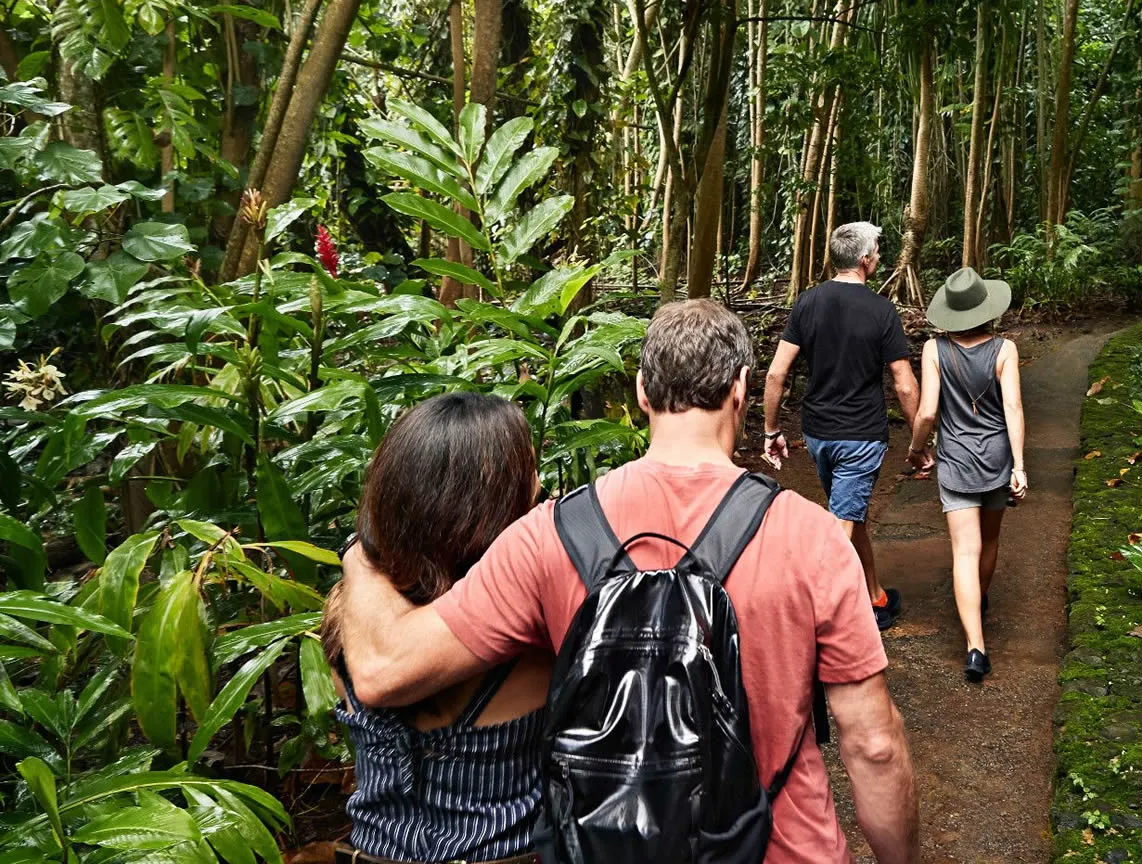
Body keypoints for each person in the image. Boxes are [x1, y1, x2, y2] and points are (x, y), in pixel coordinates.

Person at [330, 300, 921, 864]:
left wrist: (361, 556)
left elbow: (391, 670)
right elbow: (873, 744)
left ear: (642, 392)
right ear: (742, 389)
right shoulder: (815, 537)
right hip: (781, 843)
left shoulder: (549, 535)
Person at [320, 392, 551, 863]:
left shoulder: (350, 612)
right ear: (489, 509)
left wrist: (361, 552)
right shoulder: (532, 631)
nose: (540, 485)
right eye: (528, 476)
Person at [762, 221, 921, 631]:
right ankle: (808, 621)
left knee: (850, 515)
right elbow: (904, 384)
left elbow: (777, 374)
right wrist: (922, 441)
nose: (880, 258)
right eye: (878, 253)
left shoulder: (807, 302)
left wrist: (771, 430)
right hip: (860, 436)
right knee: (839, 529)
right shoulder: (882, 310)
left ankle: (875, 596)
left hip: (818, 435)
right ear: (865, 260)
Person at [907, 268, 1027, 683]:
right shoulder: (1005, 349)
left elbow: (926, 412)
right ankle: (979, 600)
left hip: (956, 460)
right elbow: (1012, 408)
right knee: (990, 539)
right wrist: (1020, 465)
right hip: (996, 460)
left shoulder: (934, 350)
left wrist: (916, 448)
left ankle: (976, 647)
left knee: (964, 551)